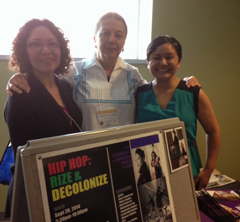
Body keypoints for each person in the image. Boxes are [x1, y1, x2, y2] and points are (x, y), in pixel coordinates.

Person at [6, 13, 201, 132]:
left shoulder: (133, 76)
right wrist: (18, 77)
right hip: (85, 161)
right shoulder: (74, 72)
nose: (111, 40)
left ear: (125, 41)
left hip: (124, 159)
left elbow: (159, 90)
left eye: (118, 35)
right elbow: (45, 83)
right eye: (105, 33)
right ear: (94, 37)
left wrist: (184, 82)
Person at [4, 19, 83, 217]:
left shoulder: (64, 86)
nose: (45, 50)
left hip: (65, 187)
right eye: (35, 44)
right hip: (34, 195)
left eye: (52, 44)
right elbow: (26, 160)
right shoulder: (20, 95)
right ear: (24, 51)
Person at [136, 35, 221, 190]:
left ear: (179, 61)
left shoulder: (193, 92)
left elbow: (213, 131)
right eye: (156, 57)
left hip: (187, 175)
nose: (163, 63)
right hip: (149, 180)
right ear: (148, 62)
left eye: (169, 57)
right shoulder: (138, 95)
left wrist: (208, 170)